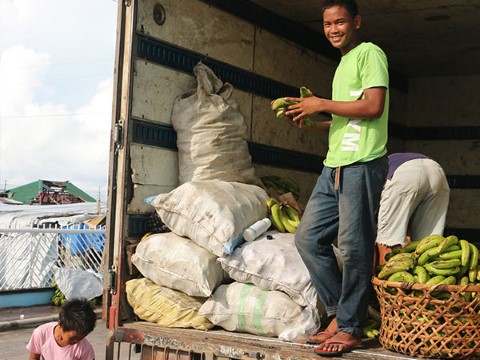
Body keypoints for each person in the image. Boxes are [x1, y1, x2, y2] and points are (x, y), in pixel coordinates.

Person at [283, 0, 389, 356]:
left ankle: (350, 327)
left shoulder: (369, 54)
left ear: (356, 22)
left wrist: (322, 104)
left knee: (355, 247)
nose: (333, 30)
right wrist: (313, 117)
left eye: (340, 22)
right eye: (328, 24)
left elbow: (374, 107)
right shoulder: (343, 63)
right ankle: (337, 314)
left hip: (361, 164)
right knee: (308, 238)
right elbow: (351, 117)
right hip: (335, 166)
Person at [376, 153, 450, 264]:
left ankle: (384, 280)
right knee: (428, 245)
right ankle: (424, 280)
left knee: (387, 242)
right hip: (436, 170)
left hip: (404, 174)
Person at [27, 298, 97, 360]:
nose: (77, 341)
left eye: (81, 338)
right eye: (73, 337)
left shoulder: (85, 349)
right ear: (60, 324)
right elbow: (34, 358)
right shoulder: (41, 333)